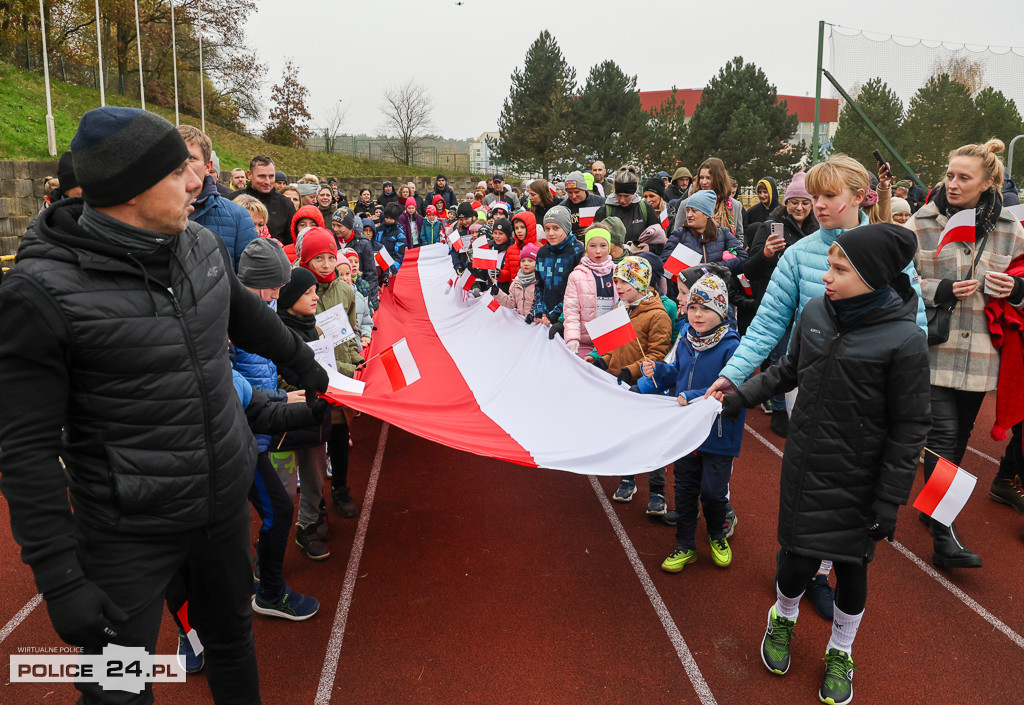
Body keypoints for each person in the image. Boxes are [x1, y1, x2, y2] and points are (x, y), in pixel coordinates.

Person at [0, 106, 329, 705]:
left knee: (231, 641)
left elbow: (246, 315)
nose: (197, 181)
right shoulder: (39, 293)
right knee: (118, 688)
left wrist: (304, 366)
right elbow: (24, 450)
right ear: (130, 188)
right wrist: (59, 576)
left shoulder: (196, 241)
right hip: (129, 527)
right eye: (179, 172)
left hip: (221, 502)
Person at [706, 154, 927, 618]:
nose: (819, 205)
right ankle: (797, 568)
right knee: (810, 486)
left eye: (829, 196)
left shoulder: (888, 250)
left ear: (860, 197)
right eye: (813, 196)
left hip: (867, 398)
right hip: (807, 384)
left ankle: (823, 575)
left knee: (852, 495)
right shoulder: (798, 255)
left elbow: (914, 329)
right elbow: (766, 328)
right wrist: (731, 377)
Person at [719, 224, 930, 705]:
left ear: (874, 277)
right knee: (796, 564)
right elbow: (789, 370)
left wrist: (890, 499)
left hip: (862, 479)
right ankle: (783, 618)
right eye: (830, 266)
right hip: (807, 466)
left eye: (839, 270)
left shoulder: (904, 341)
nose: (827, 277)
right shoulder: (815, 312)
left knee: (853, 575)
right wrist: (740, 394)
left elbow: (910, 426)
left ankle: (841, 649)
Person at [904, 138, 1024, 566]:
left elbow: (1023, 281)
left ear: (988, 182)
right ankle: (943, 532)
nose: (952, 183)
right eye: (949, 175)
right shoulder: (922, 222)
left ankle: (936, 507)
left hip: (982, 357)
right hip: (935, 349)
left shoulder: (1011, 228)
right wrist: (940, 290)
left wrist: (1016, 289)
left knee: (957, 442)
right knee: (943, 437)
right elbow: (900, 282)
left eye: (963, 177)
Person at [233, 239, 321, 622]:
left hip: (257, 424)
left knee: (268, 509)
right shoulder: (234, 319)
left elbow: (269, 363)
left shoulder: (256, 308)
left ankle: (258, 583)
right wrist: (279, 401)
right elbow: (233, 382)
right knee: (276, 510)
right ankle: (268, 590)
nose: (277, 295)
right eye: (273, 287)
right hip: (243, 431)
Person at [639, 272, 744, 572]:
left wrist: (692, 394)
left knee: (713, 492)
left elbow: (730, 385)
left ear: (721, 311)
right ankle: (685, 544)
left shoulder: (732, 347)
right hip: (686, 431)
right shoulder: (685, 340)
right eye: (694, 307)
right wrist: (658, 370)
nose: (697, 315)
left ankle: (716, 534)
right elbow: (675, 373)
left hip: (719, 435)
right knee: (684, 490)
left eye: (706, 309)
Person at [589, 257, 673, 513]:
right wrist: (601, 362)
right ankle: (628, 478)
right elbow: (614, 349)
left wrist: (632, 371)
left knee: (653, 440)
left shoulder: (658, 316)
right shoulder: (619, 310)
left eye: (625, 280)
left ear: (640, 281)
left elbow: (658, 355)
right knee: (625, 434)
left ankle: (657, 490)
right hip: (621, 387)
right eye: (616, 280)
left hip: (647, 390)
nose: (619, 285)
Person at [743, 172, 817, 434]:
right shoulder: (769, 226)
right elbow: (748, 269)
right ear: (786, 202)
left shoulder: (819, 229)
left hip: (810, 305)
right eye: (794, 201)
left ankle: (801, 407)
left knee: (808, 359)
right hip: (778, 302)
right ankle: (777, 408)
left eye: (805, 202)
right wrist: (765, 254)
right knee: (780, 357)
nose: (799, 207)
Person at [179, 125, 257, 272]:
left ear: (208, 166)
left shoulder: (238, 217)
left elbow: (251, 279)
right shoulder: (150, 212)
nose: (182, 163)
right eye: (177, 156)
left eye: (191, 158)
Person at [562, 225, 618, 357]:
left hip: (612, 340)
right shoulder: (576, 276)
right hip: (585, 343)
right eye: (592, 246)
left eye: (603, 246)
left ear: (609, 247)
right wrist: (572, 338)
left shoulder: (618, 272)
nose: (598, 251)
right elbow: (571, 310)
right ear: (586, 247)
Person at [528, 206, 585, 327]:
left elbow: (576, 291)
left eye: (556, 228)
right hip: (546, 317)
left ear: (566, 227)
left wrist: (555, 314)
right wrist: (539, 309)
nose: (550, 233)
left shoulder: (577, 251)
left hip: (568, 318)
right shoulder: (542, 252)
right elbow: (539, 284)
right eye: (547, 229)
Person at [229, 154, 297, 244]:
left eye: (271, 176)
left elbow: (291, 243)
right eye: (262, 176)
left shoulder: (285, 204)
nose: (267, 182)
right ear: (249, 174)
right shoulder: (232, 200)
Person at [673, 158, 744, 244]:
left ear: (719, 179)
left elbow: (739, 237)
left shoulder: (734, 205)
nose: (704, 182)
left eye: (708, 178)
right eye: (701, 178)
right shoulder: (686, 204)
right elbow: (676, 237)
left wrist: (732, 254)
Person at [595, 166, 661, 246]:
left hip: (639, 256)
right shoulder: (605, 210)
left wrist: (649, 248)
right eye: (619, 195)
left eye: (626, 196)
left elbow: (659, 240)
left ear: (634, 192)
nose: (622, 200)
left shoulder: (645, 208)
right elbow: (594, 240)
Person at [332, 208, 379, 308]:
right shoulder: (331, 240)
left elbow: (371, 274)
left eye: (339, 226)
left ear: (349, 226)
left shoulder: (363, 243)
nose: (335, 229)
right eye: (333, 225)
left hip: (357, 294)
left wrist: (372, 303)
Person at [493, 242, 538, 317]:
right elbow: (511, 303)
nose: (526, 264)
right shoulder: (515, 283)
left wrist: (534, 315)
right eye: (523, 261)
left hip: (536, 323)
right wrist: (498, 293)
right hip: (521, 321)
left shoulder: (540, 282)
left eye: (530, 261)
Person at [560, 170, 605, 240]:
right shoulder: (562, 208)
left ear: (584, 189)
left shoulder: (600, 202)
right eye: (570, 192)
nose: (573, 196)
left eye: (576, 192)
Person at [374, 203, 407, 275]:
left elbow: (399, 256)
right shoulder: (377, 230)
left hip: (390, 268)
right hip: (375, 267)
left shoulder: (400, 234)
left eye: (391, 218)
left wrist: (392, 270)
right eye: (387, 217)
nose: (388, 220)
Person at [491, 219, 518, 291]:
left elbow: (510, 273)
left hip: (505, 291)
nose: (497, 236)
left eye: (501, 234)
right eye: (495, 233)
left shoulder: (512, 249)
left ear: (507, 234)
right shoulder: (489, 247)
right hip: (489, 290)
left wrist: (500, 273)